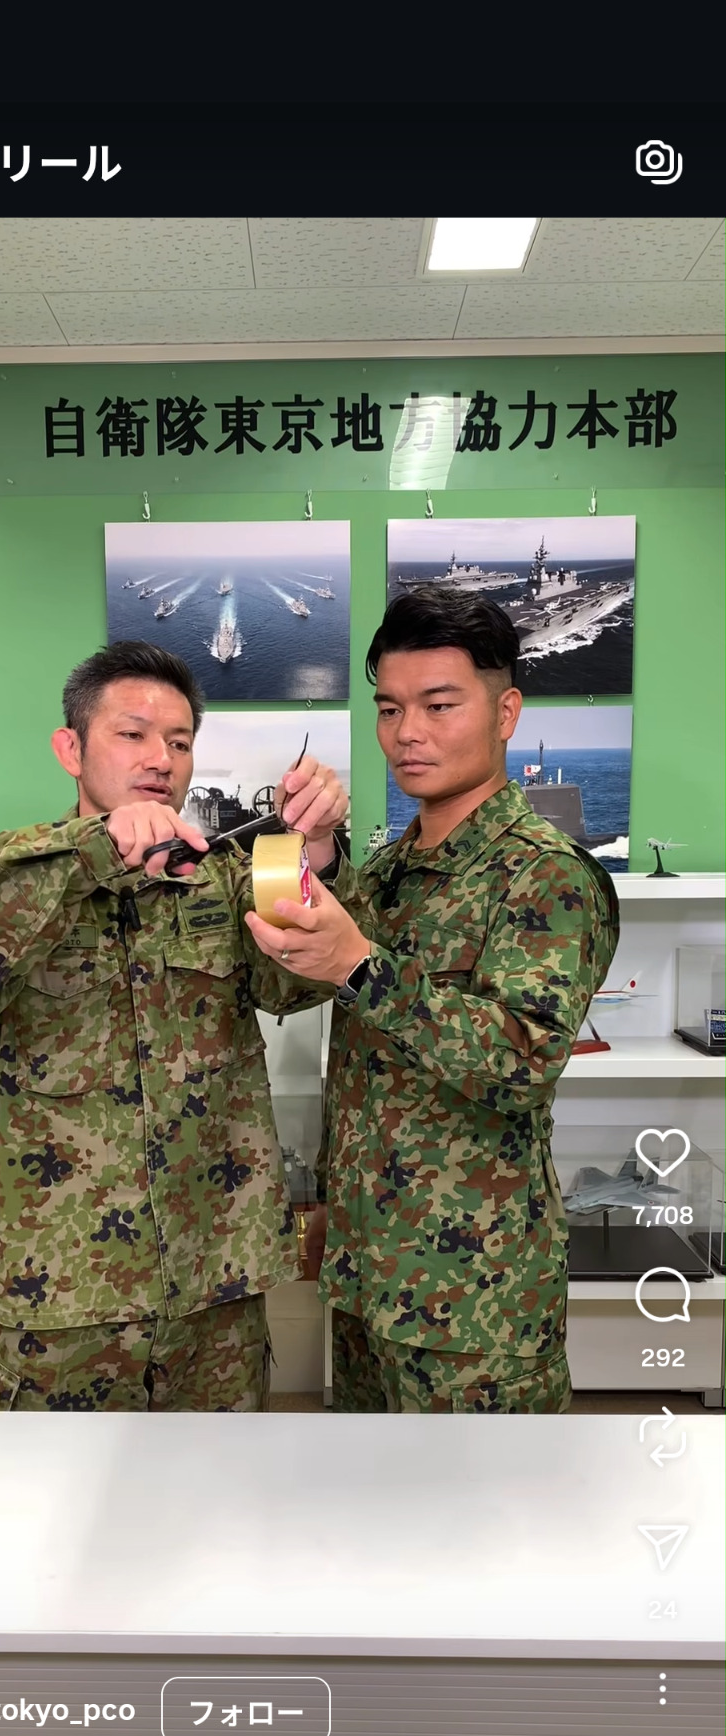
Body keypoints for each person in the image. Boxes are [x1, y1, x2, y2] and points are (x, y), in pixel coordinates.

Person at [0, 642, 347, 1412]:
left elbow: (296, 981)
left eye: (179, 742)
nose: (160, 759)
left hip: (215, 1274)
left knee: (219, 1475)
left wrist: (318, 848)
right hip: (68, 1286)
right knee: (57, 1480)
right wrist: (96, 849)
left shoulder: (222, 878)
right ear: (70, 749)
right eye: (132, 734)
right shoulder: (16, 876)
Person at [246, 588, 620, 1413]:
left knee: (485, 1496)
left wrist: (361, 964)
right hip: (367, 1274)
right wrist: (316, 854)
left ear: (505, 712)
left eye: (439, 705)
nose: (407, 732)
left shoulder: (546, 874)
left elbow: (522, 1061)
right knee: (371, 1488)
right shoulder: (391, 868)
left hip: (474, 1299)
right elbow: (291, 985)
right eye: (389, 709)